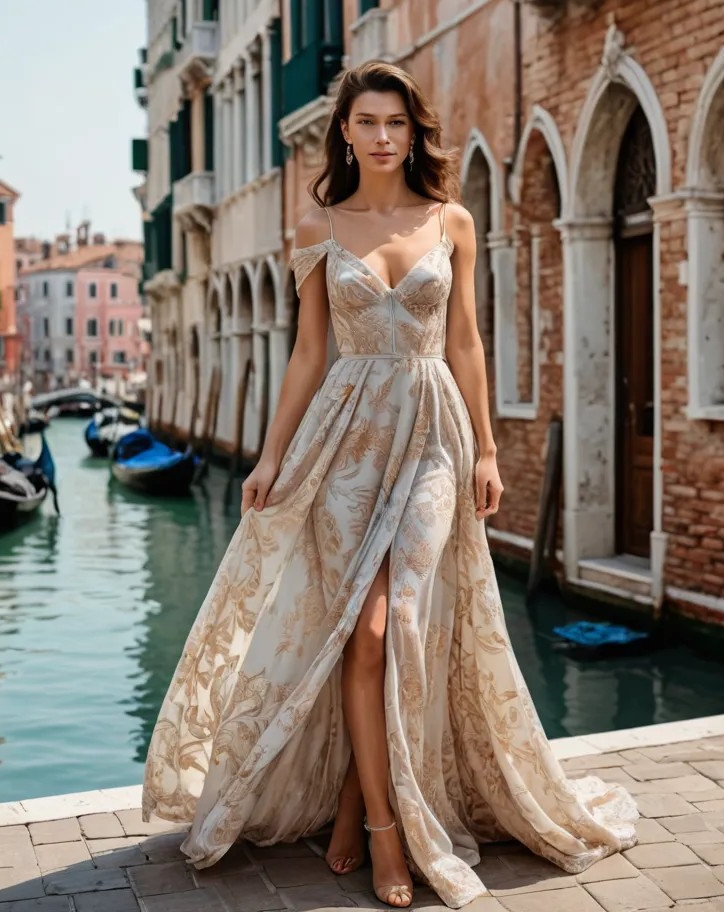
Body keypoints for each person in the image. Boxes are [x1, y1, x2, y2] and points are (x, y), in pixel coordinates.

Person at [141, 61, 638, 909]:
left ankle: (363, 807)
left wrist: (485, 447)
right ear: (345, 131)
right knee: (358, 633)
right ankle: (375, 820)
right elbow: (306, 355)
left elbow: (469, 344)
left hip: (434, 436)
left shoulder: (453, 221)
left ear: (414, 133)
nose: (381, 137)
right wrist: (268, 458)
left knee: (400, 618)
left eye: (396, 124)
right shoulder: (317, 225)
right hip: (343, 441)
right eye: (367, 122)